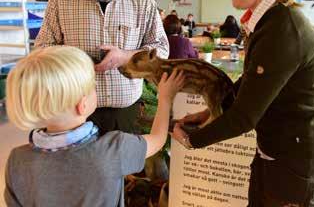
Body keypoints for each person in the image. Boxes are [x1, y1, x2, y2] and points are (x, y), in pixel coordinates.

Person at [172, 0, 314, 206]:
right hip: (272, 156)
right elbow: (249, 85)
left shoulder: (282, 27)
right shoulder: (269, 22)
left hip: (293, 170)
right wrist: (209, 112)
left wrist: (193, 140)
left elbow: (244, 117)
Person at [4, 46, 184, 207]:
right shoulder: (114, 149)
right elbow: (158, 139)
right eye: (93, 86)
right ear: (82, 105)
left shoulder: (16, 161)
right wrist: (165, 98)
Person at [35, 0, 169, 135]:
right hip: (73, 111)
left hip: (125, 113)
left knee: (126, 167)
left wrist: (125, 57)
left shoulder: (142, 1)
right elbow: (42, 48)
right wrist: (76, 60)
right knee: (78, 167)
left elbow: (162, 50)